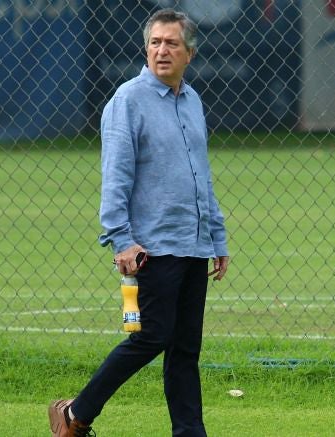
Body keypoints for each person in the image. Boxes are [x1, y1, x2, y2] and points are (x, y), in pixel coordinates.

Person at [48, 8, 230, 437]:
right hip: (151, 248)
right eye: (155, 42)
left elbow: (201, 176)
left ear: (190, 52)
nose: (162, 50)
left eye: (171, 43)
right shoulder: (128, 101)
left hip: (194, 244)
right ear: (146, 49)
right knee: (150, 337)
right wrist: (121, 241)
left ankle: (190, 433)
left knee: (185, 350)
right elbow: (115, 178)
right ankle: (76, 414)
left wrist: (216, 237)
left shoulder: (192, 100)